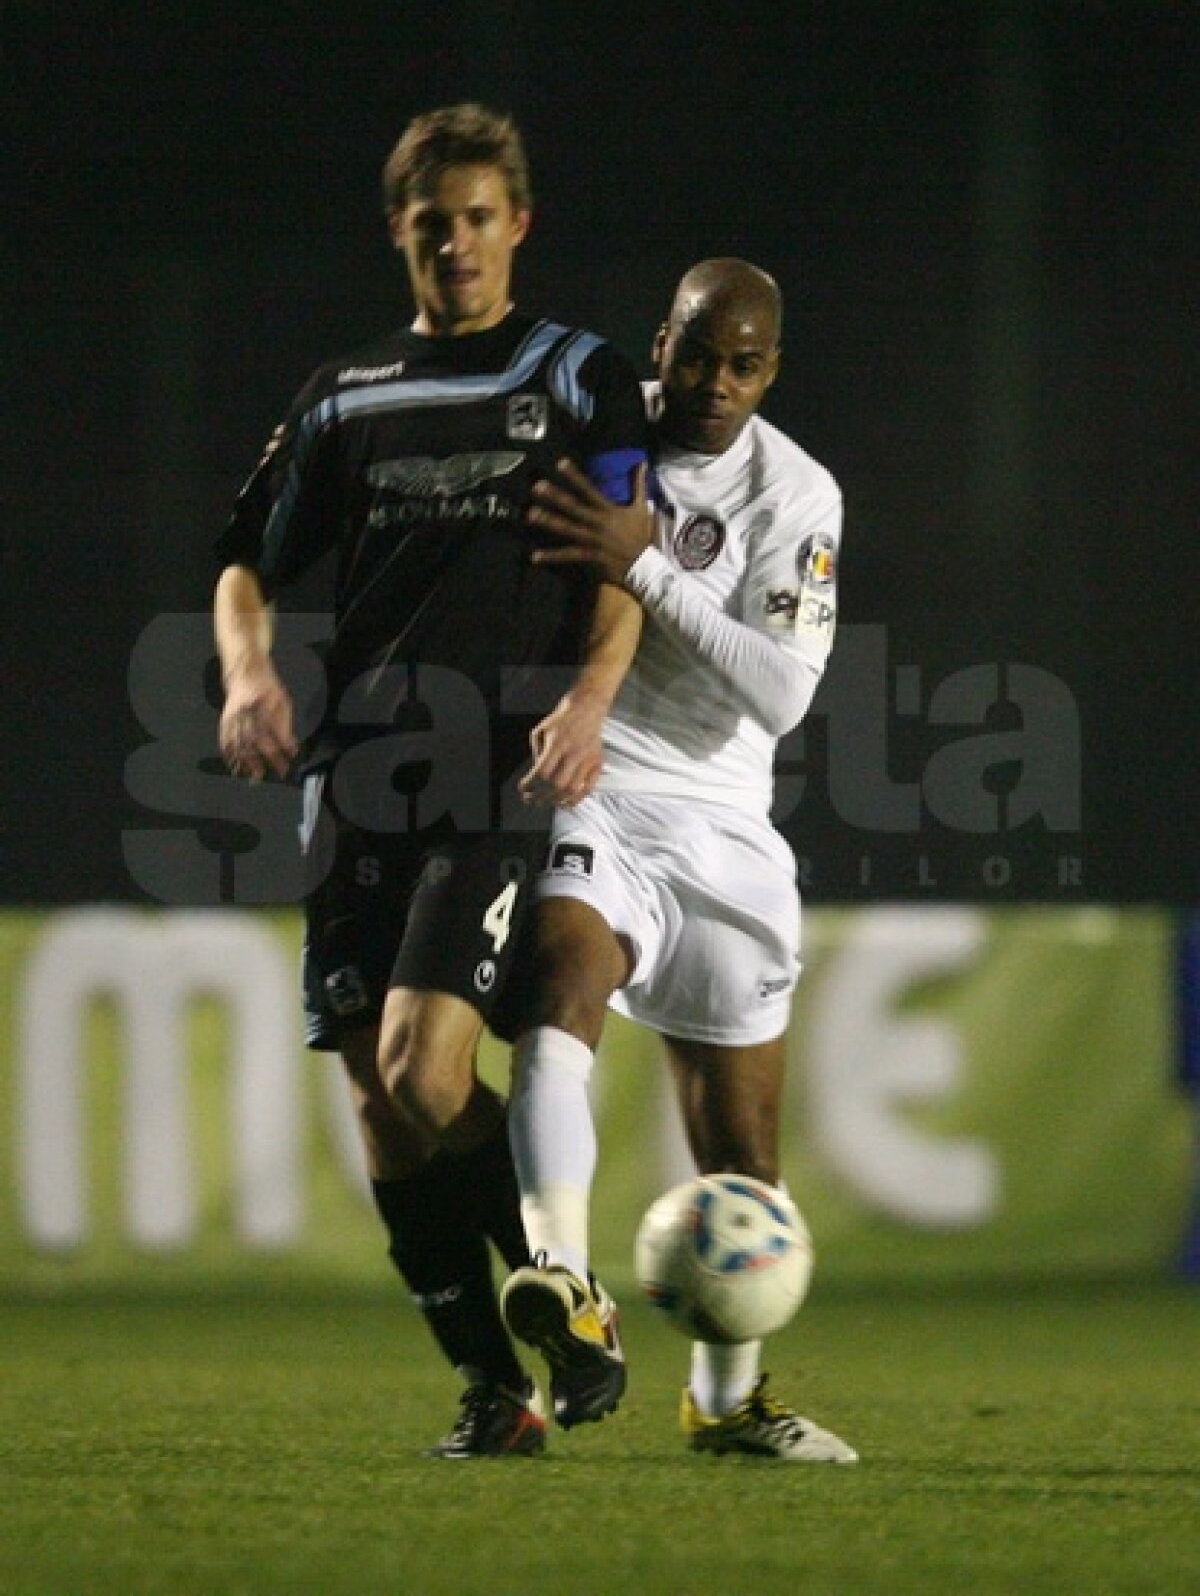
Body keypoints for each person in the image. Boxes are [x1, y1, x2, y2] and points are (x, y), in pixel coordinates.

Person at [212, 103, 648, 1458]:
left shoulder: (583, 378)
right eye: (429, 223)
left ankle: (566, 1287)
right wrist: (246, 672)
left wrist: (585, 702)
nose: (454, 244)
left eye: (476, 218)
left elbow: (623, 567)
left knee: (422, 1060)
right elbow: (241, 563)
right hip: (357, 771)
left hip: (493, 763)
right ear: (397, 234)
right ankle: (492, 1384)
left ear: (518, 224)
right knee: (378, 1096)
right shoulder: (345, 397)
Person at [497, 258, 858, 1462]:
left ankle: (725, 1401)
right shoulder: (602, 434)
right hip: (599, 788)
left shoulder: (799, 492)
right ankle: (561, 1275)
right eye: (698, 352)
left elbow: (783, 691)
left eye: (744, 363)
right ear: (665, 342)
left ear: (772, 369)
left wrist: (642, 560)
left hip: (727, 822)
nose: (715, 382)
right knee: (557, 979)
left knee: (745, 1159)